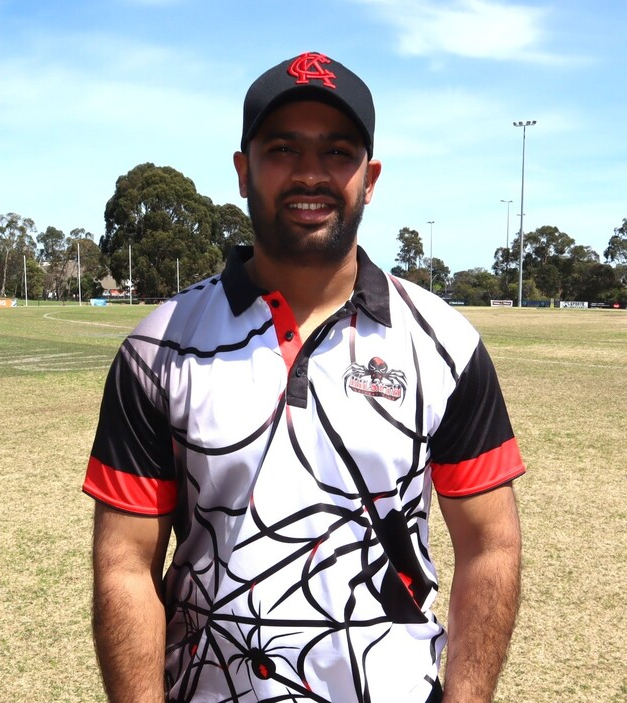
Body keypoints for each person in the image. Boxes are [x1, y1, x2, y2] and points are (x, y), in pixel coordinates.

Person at [83, 51, 525, 703]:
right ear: (244, 171)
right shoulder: (157, 348)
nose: (311, 173)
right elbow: (125, 566)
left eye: (338, 152)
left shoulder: (446, 345)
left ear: (370, 178)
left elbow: (490, 547)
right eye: (283, 149)